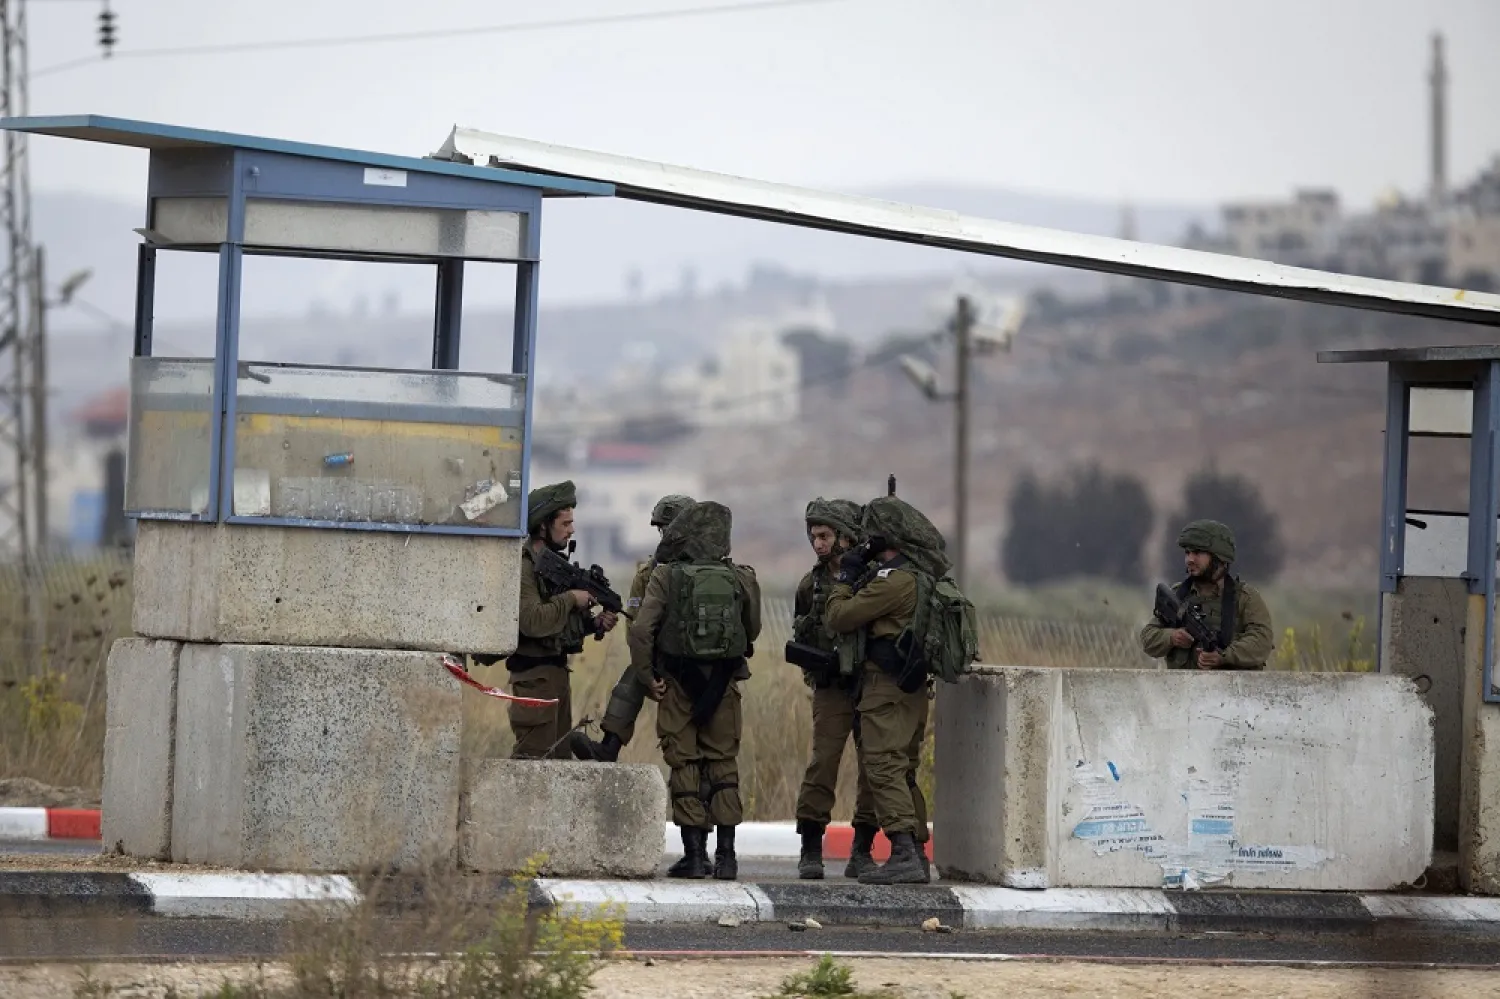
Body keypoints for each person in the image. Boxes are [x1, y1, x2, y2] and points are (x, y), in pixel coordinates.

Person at [628, 500, 762, 880]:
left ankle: (694, 856)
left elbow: (641, 631)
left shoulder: (665, 576)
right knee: (723, 765)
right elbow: (752, 629)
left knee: (684, 763)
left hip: (676, 684)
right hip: (725, 686)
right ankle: (727, 857)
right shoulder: (741, 577)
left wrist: (646, 675)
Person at [822, 494, 947, 885]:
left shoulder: (895, 581)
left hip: (885, 689)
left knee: (883, 767)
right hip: (907, 689)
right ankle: (912, 851)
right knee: (902, 769)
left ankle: (905, 854)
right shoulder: (920, 577)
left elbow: (839, 617)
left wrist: (844, 578)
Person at [789, 498, 882, 880]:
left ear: (846, 536)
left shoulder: (874, 578)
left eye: (825, 536)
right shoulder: (811, 585)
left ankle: (862, 848)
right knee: (822, 763)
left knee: (875, 768)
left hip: (872, 684)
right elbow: (802, 629)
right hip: (831, 687)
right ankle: (810, 847)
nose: (819, 544)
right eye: (814, 537)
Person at [571, 493, 697, 763]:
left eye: (670, 529)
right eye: (663, 530)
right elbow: (636, 627)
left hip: (701, 662)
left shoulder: (708, 573)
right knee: (632, 678)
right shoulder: (649, 574)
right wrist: (647, 672)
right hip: (664, 660)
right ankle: (609, 746)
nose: (666, 536)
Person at [501, 480, 618, 759]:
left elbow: (558, 626)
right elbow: (531, 620)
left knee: (558, 766)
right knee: (534, 764)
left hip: (555, 674)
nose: (571, 530)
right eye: (565, 524)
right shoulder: (526, 565)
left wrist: (593, 624)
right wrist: (571, 599)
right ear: (543, 525)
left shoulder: (553, 566)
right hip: (534, 678)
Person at [1140, 519, 1275, 670]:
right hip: (1184, 690)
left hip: (1232, 690)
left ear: (1219, 558)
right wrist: (1172, 637)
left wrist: (1223, 656)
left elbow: (1262, 642)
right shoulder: (1179, 595)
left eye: (1197, 553)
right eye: (1187, 553)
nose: (1190, 559)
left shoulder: (1245, 598)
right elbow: (1148, 638)